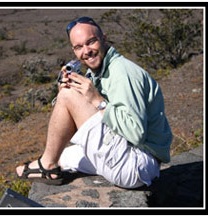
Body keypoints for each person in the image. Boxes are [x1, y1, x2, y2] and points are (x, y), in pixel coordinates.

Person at [16, 16, 172, 188]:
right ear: (74, 51)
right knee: (61, 156)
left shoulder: (122, 73)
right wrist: (63, 94)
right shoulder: (97, 73)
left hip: (137, 163)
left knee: (68, 98)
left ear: (104, 39)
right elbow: (71, 122)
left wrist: (96, 100)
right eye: (79, 47)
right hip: (126, 153)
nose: (86, 51)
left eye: (91, 42)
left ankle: (46, 166)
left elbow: (136, 133)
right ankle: (50, 163)